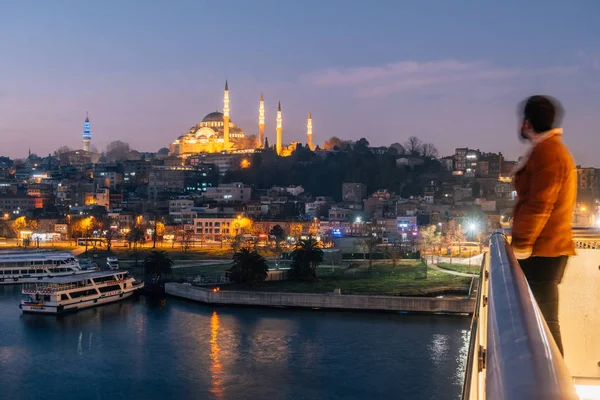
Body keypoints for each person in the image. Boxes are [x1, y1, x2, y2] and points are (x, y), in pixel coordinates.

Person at [511, 95, 577, 355]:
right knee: (543, 323)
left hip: (543, 252)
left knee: (545, 326)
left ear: (527, 123)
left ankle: (553, 389)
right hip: (548, 250)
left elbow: (539, 205)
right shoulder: (551, 150)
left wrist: (522, 246)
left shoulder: (547, 154)